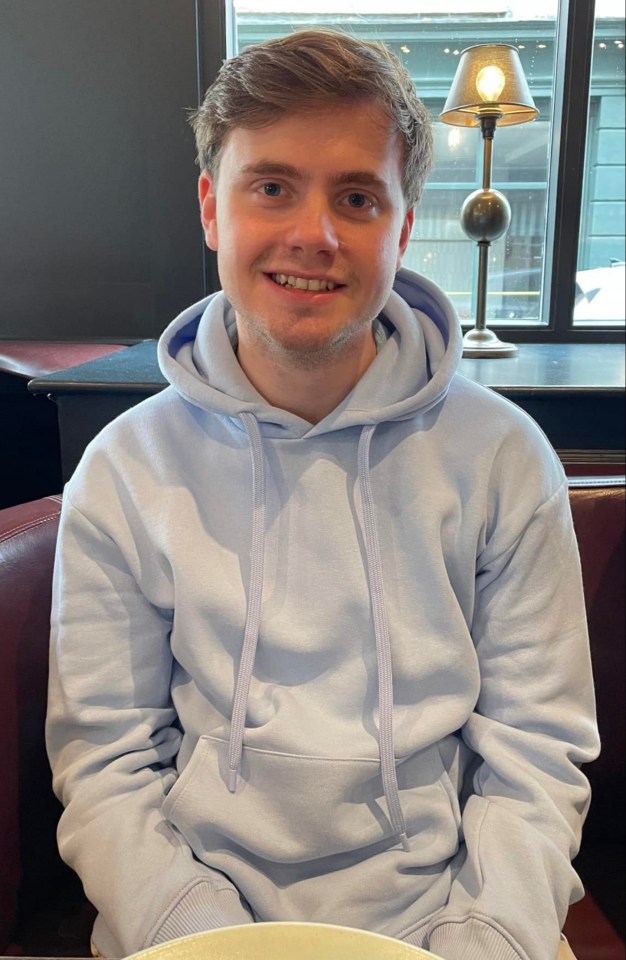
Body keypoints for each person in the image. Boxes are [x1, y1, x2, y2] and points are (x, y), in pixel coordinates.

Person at [46, 29, 599, 960]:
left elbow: (537, 755)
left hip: (455, 926)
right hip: (191, 928)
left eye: (356, 196)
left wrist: (486, 936)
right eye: (271, 186)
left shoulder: (504, 456)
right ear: (211, 210)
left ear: (403, 226)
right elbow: (104, 764)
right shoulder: (123, 468)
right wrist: (200, 933)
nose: (315, 233)